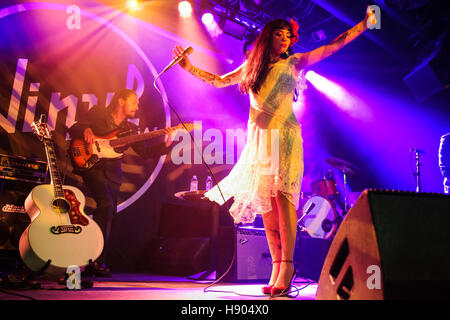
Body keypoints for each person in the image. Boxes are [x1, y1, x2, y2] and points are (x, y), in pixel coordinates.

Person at [173, 9, 376, 297]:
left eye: (287, 35)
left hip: (286, 138)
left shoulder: (294, 62)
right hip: (260, 141)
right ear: (267, 37)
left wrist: (365, 24)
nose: (284, 40)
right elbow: (218, 81)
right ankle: (276, 268)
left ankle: (288, 267)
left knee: (283, 203)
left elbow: (334, 44)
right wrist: (188, 67)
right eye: (278, 35)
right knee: (267, 208)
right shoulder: (251, 68)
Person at [68, 89, 174, 276]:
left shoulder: (131, 129)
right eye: (134, 102)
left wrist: (166, 145)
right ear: (120, 101)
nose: (137, 106)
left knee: (109, 215)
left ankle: (95, 261)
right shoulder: (98, 113)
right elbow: (75, 127)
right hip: (92, 165)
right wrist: (85, 129)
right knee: (106, 205)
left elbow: (145, 153)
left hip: (113, 173)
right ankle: (94, 261)